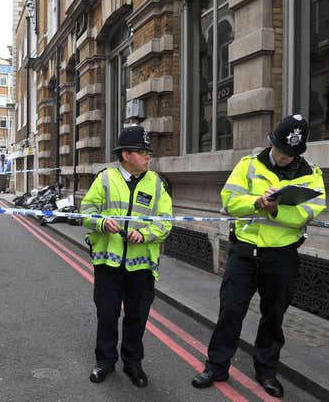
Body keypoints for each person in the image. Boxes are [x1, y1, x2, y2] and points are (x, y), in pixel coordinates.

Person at [191, 114, 326, 398]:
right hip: (245, 253)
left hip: (282, 256)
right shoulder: (248, 166)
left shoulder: (311, 176)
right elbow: (229, 201)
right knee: (230, 310)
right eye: (282, 150)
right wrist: (257, 202)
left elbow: (311, 211)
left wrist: (277, 209)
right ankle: (216, 366)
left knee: (273, 317)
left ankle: (266, 371)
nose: (286, 157)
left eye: (292, 153)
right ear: (272, 143)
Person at [80, 125, 173, 388]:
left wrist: (145, 234)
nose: (148, 157)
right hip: (108, 262)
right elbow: (85, 211)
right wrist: (101, 222)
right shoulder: (105, 179)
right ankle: (105, 362)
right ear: (126, 155)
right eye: (143, 152)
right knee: (107, 315)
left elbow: (166, 222)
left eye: (148, 153)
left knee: (137, 316)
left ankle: (133, 364)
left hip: (141, 266)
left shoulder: (157, 183)